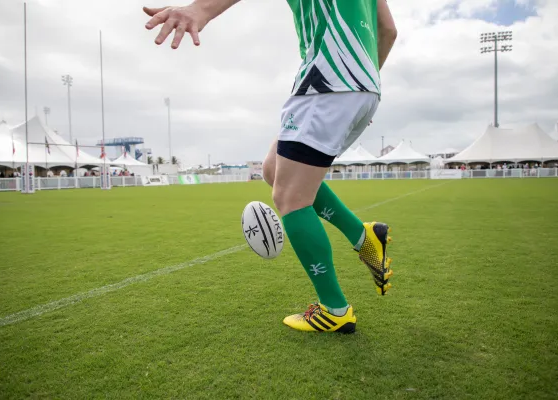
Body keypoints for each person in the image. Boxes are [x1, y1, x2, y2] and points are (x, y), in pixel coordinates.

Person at [144, 0, 397, 334]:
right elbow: (388, 31)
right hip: (357, 83)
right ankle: (363, 236)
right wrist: (363, 80)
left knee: (291, 198)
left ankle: (334, 309)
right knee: (272, 170)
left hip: (330, 79)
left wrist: (199, 10)